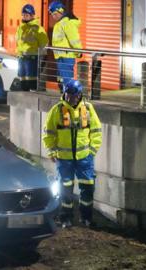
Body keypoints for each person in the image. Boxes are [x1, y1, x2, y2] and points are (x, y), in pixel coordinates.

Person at [42, 79, 102, 228]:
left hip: (85, 158)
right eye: (68, 94)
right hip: (64, 159)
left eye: (73, 95)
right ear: (64, 93)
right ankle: (65, 218)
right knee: (65, 189)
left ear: (79, 94)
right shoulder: (57, 110)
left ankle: (86, 217)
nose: (70, 98)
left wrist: (92, 151)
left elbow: (96, 131)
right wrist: (52, 151)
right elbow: (49, 133)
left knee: (88, 188)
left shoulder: (88, 109)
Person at [48, 1, 82, 90]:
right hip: (60, 56)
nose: (53, 16)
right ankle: (64, 96)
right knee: (61, 79)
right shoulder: (60, 23)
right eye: (52, 14)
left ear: (61, 11)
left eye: (55, 14)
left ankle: (68, 97)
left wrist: (78, 51)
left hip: (66, 56)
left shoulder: (67, 23)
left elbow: (74, 39)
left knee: (67, 79)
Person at [15, 4, 48, 92]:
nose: (24, 17)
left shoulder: (38, 29)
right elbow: (18, 43)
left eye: (27, 15)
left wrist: (43, 57)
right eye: (23, 15)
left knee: (32, 82)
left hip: (32, 59)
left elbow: (44, 44)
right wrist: (17, 54)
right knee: (23, 82)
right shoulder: (20, 28)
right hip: (21, 58)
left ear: (32, 15)